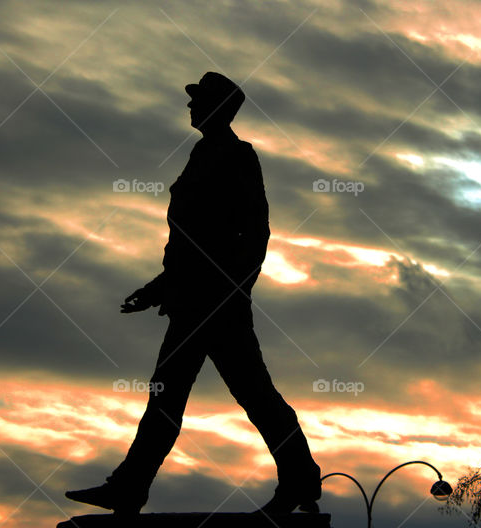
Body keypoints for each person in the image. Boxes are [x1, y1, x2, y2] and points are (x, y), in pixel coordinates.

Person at [66, 72, 321, 515]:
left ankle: (297, 478)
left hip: (217, 305)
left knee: (246, 395)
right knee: (185, 395)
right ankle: (131, 487)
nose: (190, 106)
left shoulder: (237, 156)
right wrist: (157, 289)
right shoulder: (202, 154)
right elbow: (190, 244)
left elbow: (254, 233)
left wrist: (232, 290)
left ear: (218, 108)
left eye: (198, 100)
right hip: (192, 302)